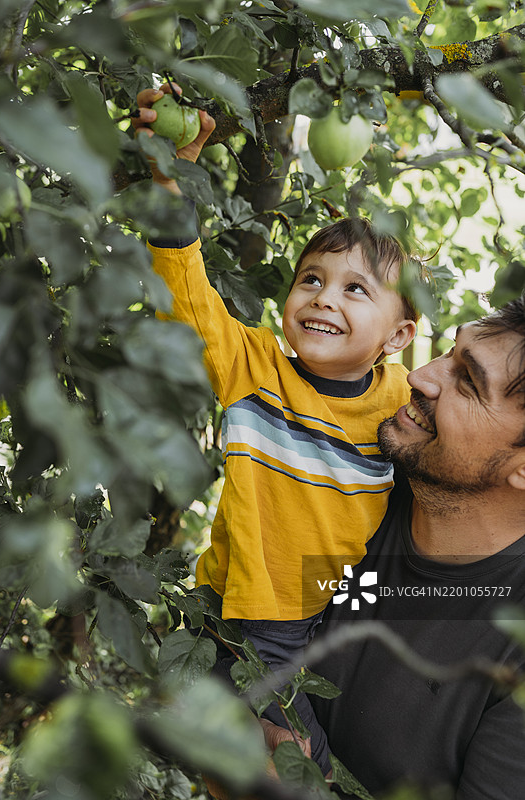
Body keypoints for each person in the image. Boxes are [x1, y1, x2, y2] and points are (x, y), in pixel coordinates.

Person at [133, 84, 422, 775]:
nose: (324, 296)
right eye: (311, 279)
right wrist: (169, 178)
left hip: (345, 612)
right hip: (263, 607)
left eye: (356, 289)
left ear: (398, 336)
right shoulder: (256, 367)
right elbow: (190, 298)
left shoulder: (403, 403)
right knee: (296, 756)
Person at [263, 297, 525, 798]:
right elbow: (233, 625)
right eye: (449, 353)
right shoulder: (346, 481)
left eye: (467, 381)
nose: (421, 377)